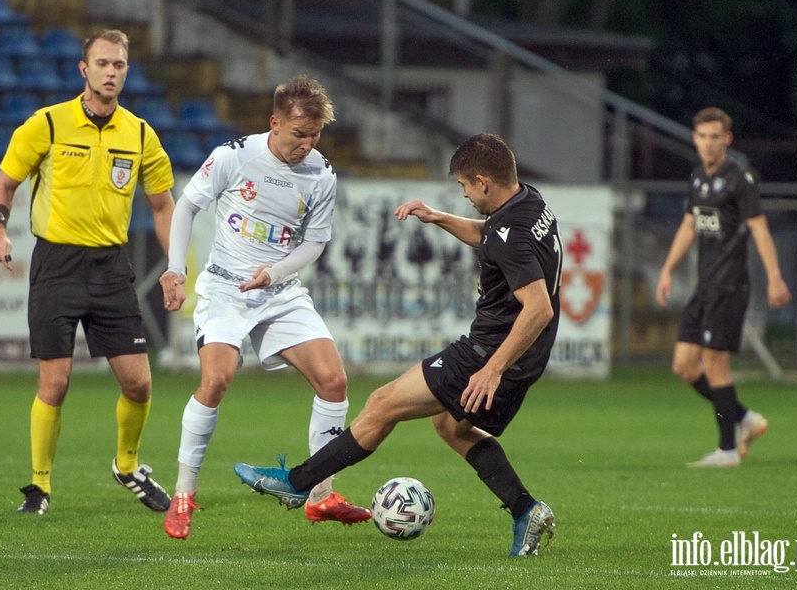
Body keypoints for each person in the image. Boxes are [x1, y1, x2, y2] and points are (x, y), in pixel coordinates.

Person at [235, 133, 561, 557]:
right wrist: (437, 217)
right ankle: (526, 510)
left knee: (382, 403)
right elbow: (490, 234)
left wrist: (492, 368)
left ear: (483, 181)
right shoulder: (530, 204)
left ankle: (297, 484)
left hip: (489, 351)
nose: (463, 194)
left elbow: (538, 308)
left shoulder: (511, 233)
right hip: (526, 356)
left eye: (463, 186)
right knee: (451, 426)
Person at [159, 74, 371, 540]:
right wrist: (176, 269)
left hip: (278, 291)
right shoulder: (234, 156)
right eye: (299, 134)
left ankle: (321, 496)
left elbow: (314, 244)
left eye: (315, 135)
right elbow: (187, 207)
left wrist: (272, 275)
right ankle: (183, 492)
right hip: (226, 289)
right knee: (215, 381)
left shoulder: (322, 174)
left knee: (334, 381)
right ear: (274, 122)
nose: (307, 145)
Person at [0, 29, 175, 514]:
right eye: (103, 63)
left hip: (111, 268)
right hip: (57, 264)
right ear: (83, 69)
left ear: (126, 72)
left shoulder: (139, 133)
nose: (111, 72)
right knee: (56, 383)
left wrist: (175, 266)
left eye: (119, 65)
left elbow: (162, 205)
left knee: (139, 383)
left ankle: (128, 466)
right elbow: (4, 185)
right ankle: (40, 486)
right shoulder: (46, 125)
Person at [655, 107, 792, 468]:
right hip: (705, 285)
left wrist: (775, 276)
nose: (708, 143)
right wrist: (668, 269)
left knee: (715, 363)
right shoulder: (697, 177)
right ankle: (745, 418)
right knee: (685, 365)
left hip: (730, 285)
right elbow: (689, 225)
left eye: (715, 136)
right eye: (702, 136)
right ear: (694, 138)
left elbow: (760, 228)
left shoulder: (739, 178)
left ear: (727, 139)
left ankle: (728, 450)